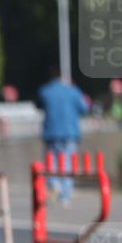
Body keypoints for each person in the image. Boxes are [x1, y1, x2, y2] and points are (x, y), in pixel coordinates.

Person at [37, 67, 89, 208]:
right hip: (70, 133)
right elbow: (84, 108)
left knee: (51, 162)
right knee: (67, 164)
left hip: (51, 133)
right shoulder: (73, 91)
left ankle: (53, 183)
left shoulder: (45, 91)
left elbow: (39, 105)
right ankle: (65, 196)